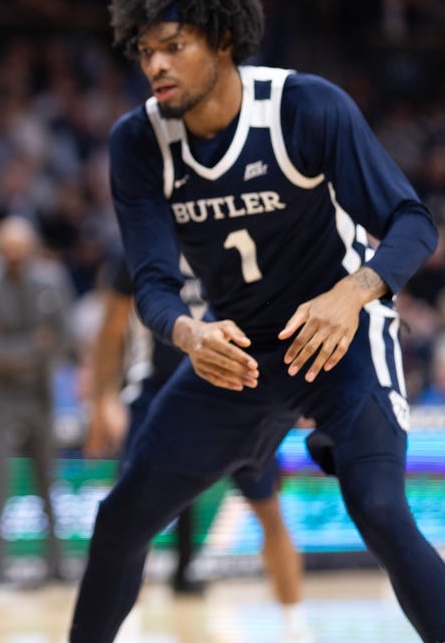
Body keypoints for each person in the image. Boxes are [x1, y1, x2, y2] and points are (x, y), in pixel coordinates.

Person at [69, 0, 445, 643]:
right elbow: (150, 282)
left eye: (173, 45)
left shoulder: (306, 107)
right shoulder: (137, 140)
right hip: (234, 352)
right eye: (145, 49)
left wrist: (354, 293)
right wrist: (187, 335)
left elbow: (413, 223)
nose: (155, 63)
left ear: (221, 39)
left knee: (382, 510)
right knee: (120, 520)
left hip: (340, 339)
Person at [86, 254, 306, 635]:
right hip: (156, 392)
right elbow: (112, 326)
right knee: (129, 519)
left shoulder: (241, 232)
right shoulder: (140, 245)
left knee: (269, 509)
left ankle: (295, 625)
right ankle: (124, 627)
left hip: (239, 391)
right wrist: (102, 401)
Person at [0, 215, 73, 585]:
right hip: (2, 398)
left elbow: (62, 338)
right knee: (1, 486)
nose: (14, 256)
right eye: (8, 250)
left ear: (30, 249)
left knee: (49, 485)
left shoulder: (51, 282)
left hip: (40, 396)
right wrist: (34, 345)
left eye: (20, 249)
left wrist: (23, 349)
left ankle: (57, 568)